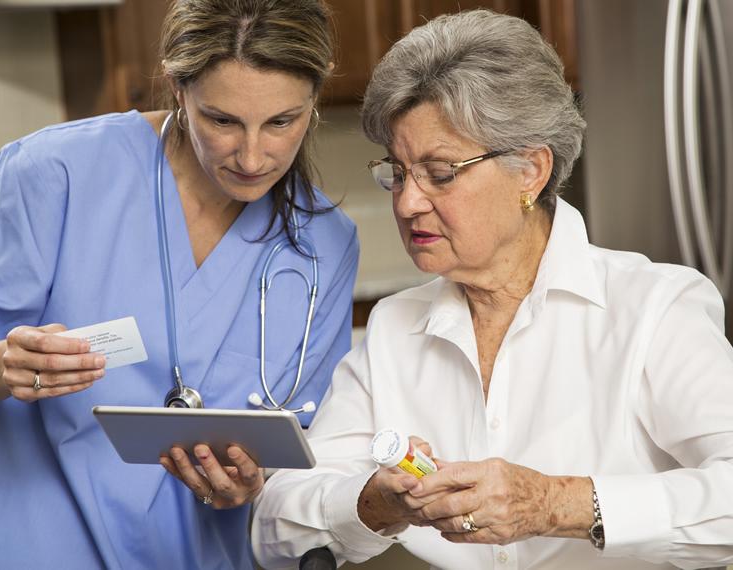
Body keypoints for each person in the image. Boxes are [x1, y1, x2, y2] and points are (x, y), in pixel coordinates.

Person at [252, 9, 733, 570]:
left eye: (440, 172)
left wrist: (559, 504)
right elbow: (275, 522)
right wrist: (373, 504)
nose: (407, 203)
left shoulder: (655, 310)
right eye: (399, 172)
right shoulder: (394, 329)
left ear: (529, 171)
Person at [0, 0, 358, 568]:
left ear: (315, 98)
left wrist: (257, 483)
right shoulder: (51, 174)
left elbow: (306, 450)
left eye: (282, 121)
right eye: (222, 120)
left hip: (196, 549)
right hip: (29, 538)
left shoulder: (325, 244)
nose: (254, 156)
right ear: (178, 88)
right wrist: (3, 366)